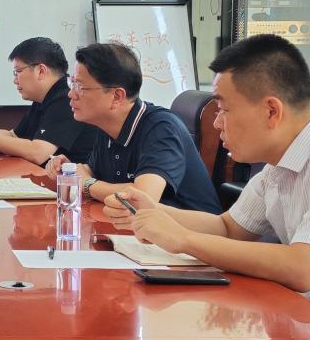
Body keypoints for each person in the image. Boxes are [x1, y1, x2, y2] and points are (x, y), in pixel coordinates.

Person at [104, 34, 310, 337]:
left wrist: (183, 239)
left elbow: (305, 268)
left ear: (272, 111)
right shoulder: (282, 162)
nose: (217, 123)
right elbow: (229, 228)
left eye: (224, 110)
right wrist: (155, 211)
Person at [44, 41, 222, 213]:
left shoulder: (161, 127)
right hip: (137, 228)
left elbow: (143, 197)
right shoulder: (106, 125)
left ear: (117, 96)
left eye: (80, 86)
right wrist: (70, 170)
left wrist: (87, 184)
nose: (71, 93)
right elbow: (93, 172)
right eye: (72, 83)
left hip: (188, 231)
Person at [0, 37, 97, 164]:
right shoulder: (44, 97)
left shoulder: (65, 98)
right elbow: (13, 136)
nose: (15, 80)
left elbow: (38, 152)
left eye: (18, 72)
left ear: (41, 71)